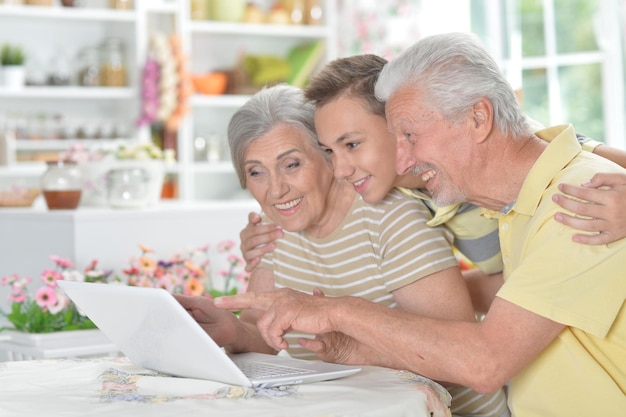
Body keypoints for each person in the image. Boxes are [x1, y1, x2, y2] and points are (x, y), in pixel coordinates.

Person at [214, 33, 626, 417]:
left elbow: (485, 362)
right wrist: (348, 343)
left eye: (409, 135)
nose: (403, 159)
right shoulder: (500, 196)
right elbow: (516, 295)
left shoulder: (582, 200)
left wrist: (337, 310)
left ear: (478, 119)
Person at [176, 83, 509, 416]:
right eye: (256, 172)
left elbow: (455, 355)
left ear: (328, 157)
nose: (275, 189)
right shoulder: (273, 226)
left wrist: (350, 345)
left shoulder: (389, 216)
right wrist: (230, 328)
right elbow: (263, 332)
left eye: (291, 164)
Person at [239, 53, 626, 314]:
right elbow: (306, 193)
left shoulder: (493, 156)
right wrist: (262, 236)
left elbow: (586, 158)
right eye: (330, 150)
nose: (340, 169)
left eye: (353, 144)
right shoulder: (400, 188)